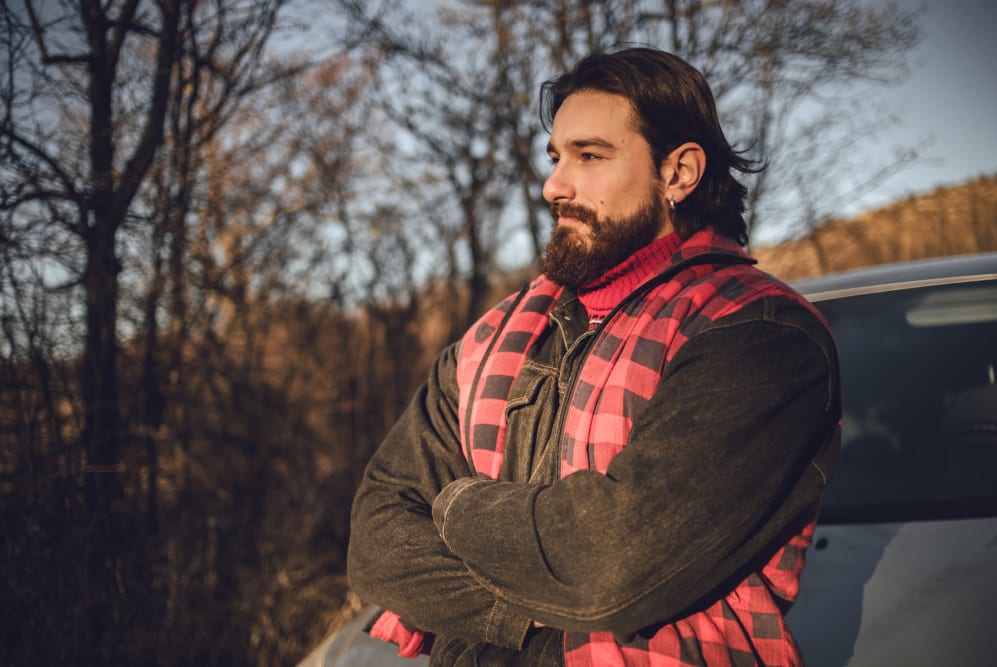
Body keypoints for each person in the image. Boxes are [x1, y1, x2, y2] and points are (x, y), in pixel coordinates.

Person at [347, 46, 841, 666]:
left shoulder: (758, 334)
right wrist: (541, 606)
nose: (555, 185)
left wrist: (451, 505)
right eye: (556, 157)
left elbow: (611, 563)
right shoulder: (493, 338)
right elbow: (375, 541)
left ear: (679, 173)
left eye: (589, 156)